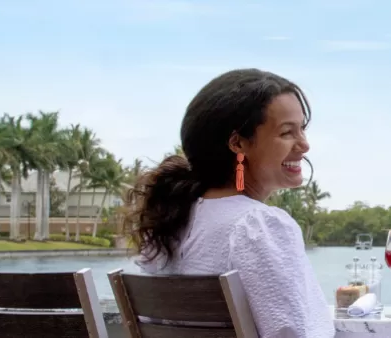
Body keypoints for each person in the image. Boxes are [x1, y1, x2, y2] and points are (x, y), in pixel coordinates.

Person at [123, 69, 335, 338]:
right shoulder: (257, 227)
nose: (304, 145)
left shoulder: (172, 220)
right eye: (286, 133)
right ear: (238, 143)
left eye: (302, 129)